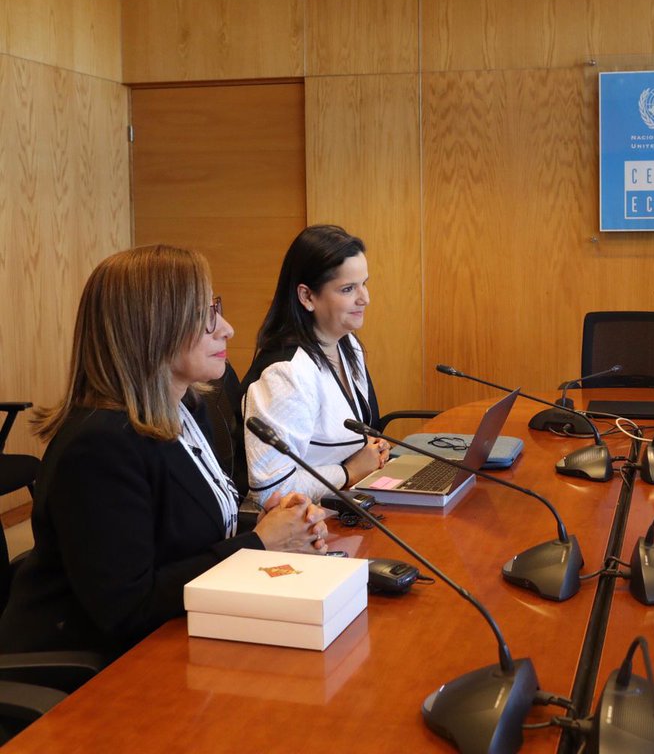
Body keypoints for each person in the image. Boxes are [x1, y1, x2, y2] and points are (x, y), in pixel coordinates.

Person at [0, 245, 328, 661]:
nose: (226, 328)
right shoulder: (98, 447)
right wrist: (259, 543)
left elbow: (183, 532)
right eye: (205, 316)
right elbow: (127, 607)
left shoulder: (186, 409)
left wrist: (272, 524)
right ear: (151, 328)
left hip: (174, 635)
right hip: (87, 671)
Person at [242, 225, 389, 501]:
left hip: (347, 502)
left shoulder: (348, 343)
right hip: (306, 523)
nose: (364, 298)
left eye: (364, 283)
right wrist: (347, 472)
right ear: (307, 297)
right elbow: (271, 491)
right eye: (348, 289)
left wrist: (373, 449)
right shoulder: (284, 373)